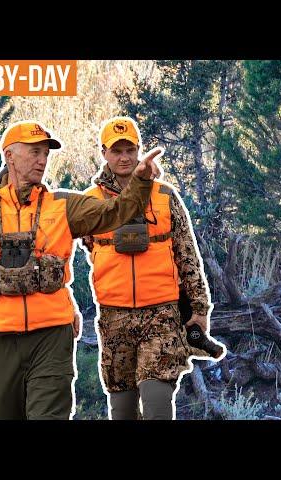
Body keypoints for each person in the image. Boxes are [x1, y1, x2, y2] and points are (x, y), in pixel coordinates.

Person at [0, 120, 159, 420]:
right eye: (35, 152)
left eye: (46, 153)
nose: (43, 160)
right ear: (10, 155)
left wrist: (140, 182)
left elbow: (116, 212)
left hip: (52, 335)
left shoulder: (62, 205)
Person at [81, 117, 218, 420]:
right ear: (104, 153)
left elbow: (188, 256)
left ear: (139, 150)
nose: (124, 157)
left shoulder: (164, 196)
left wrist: (199, 309)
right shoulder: (90, 202)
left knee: (157, 401)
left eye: (130, 149)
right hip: (114, 317)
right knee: (123, 409)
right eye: (116, 150)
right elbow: (82, 246)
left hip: (162, 314)